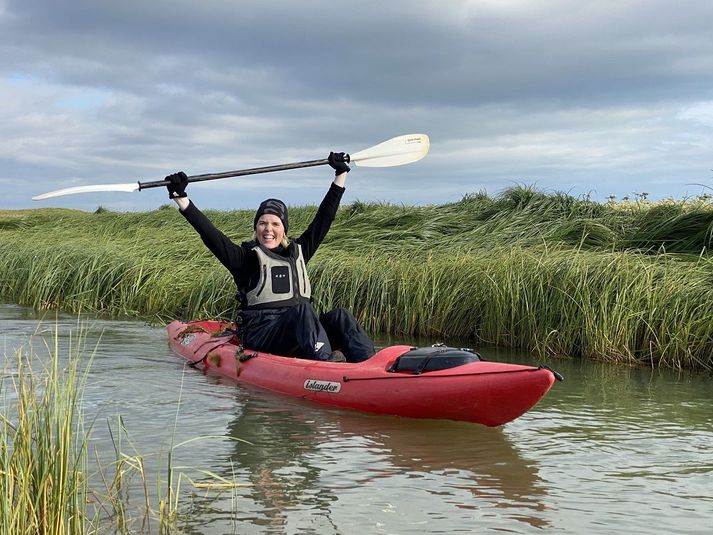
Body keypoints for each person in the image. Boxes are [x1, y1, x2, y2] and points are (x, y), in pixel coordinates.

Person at [166, 152, 375, 363]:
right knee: (303, 311)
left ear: (284, 229)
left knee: (341, 316)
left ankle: (370, 364)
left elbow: (324, 218)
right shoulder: (245, 259)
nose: (268, 229)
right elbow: (212, 236)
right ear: (256, 228)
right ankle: (326, 366)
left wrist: (340, 174)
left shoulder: (299, 251)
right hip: (263, 335)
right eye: (262, 223)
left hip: (299, 333)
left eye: (275, 224)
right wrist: (182, 200)